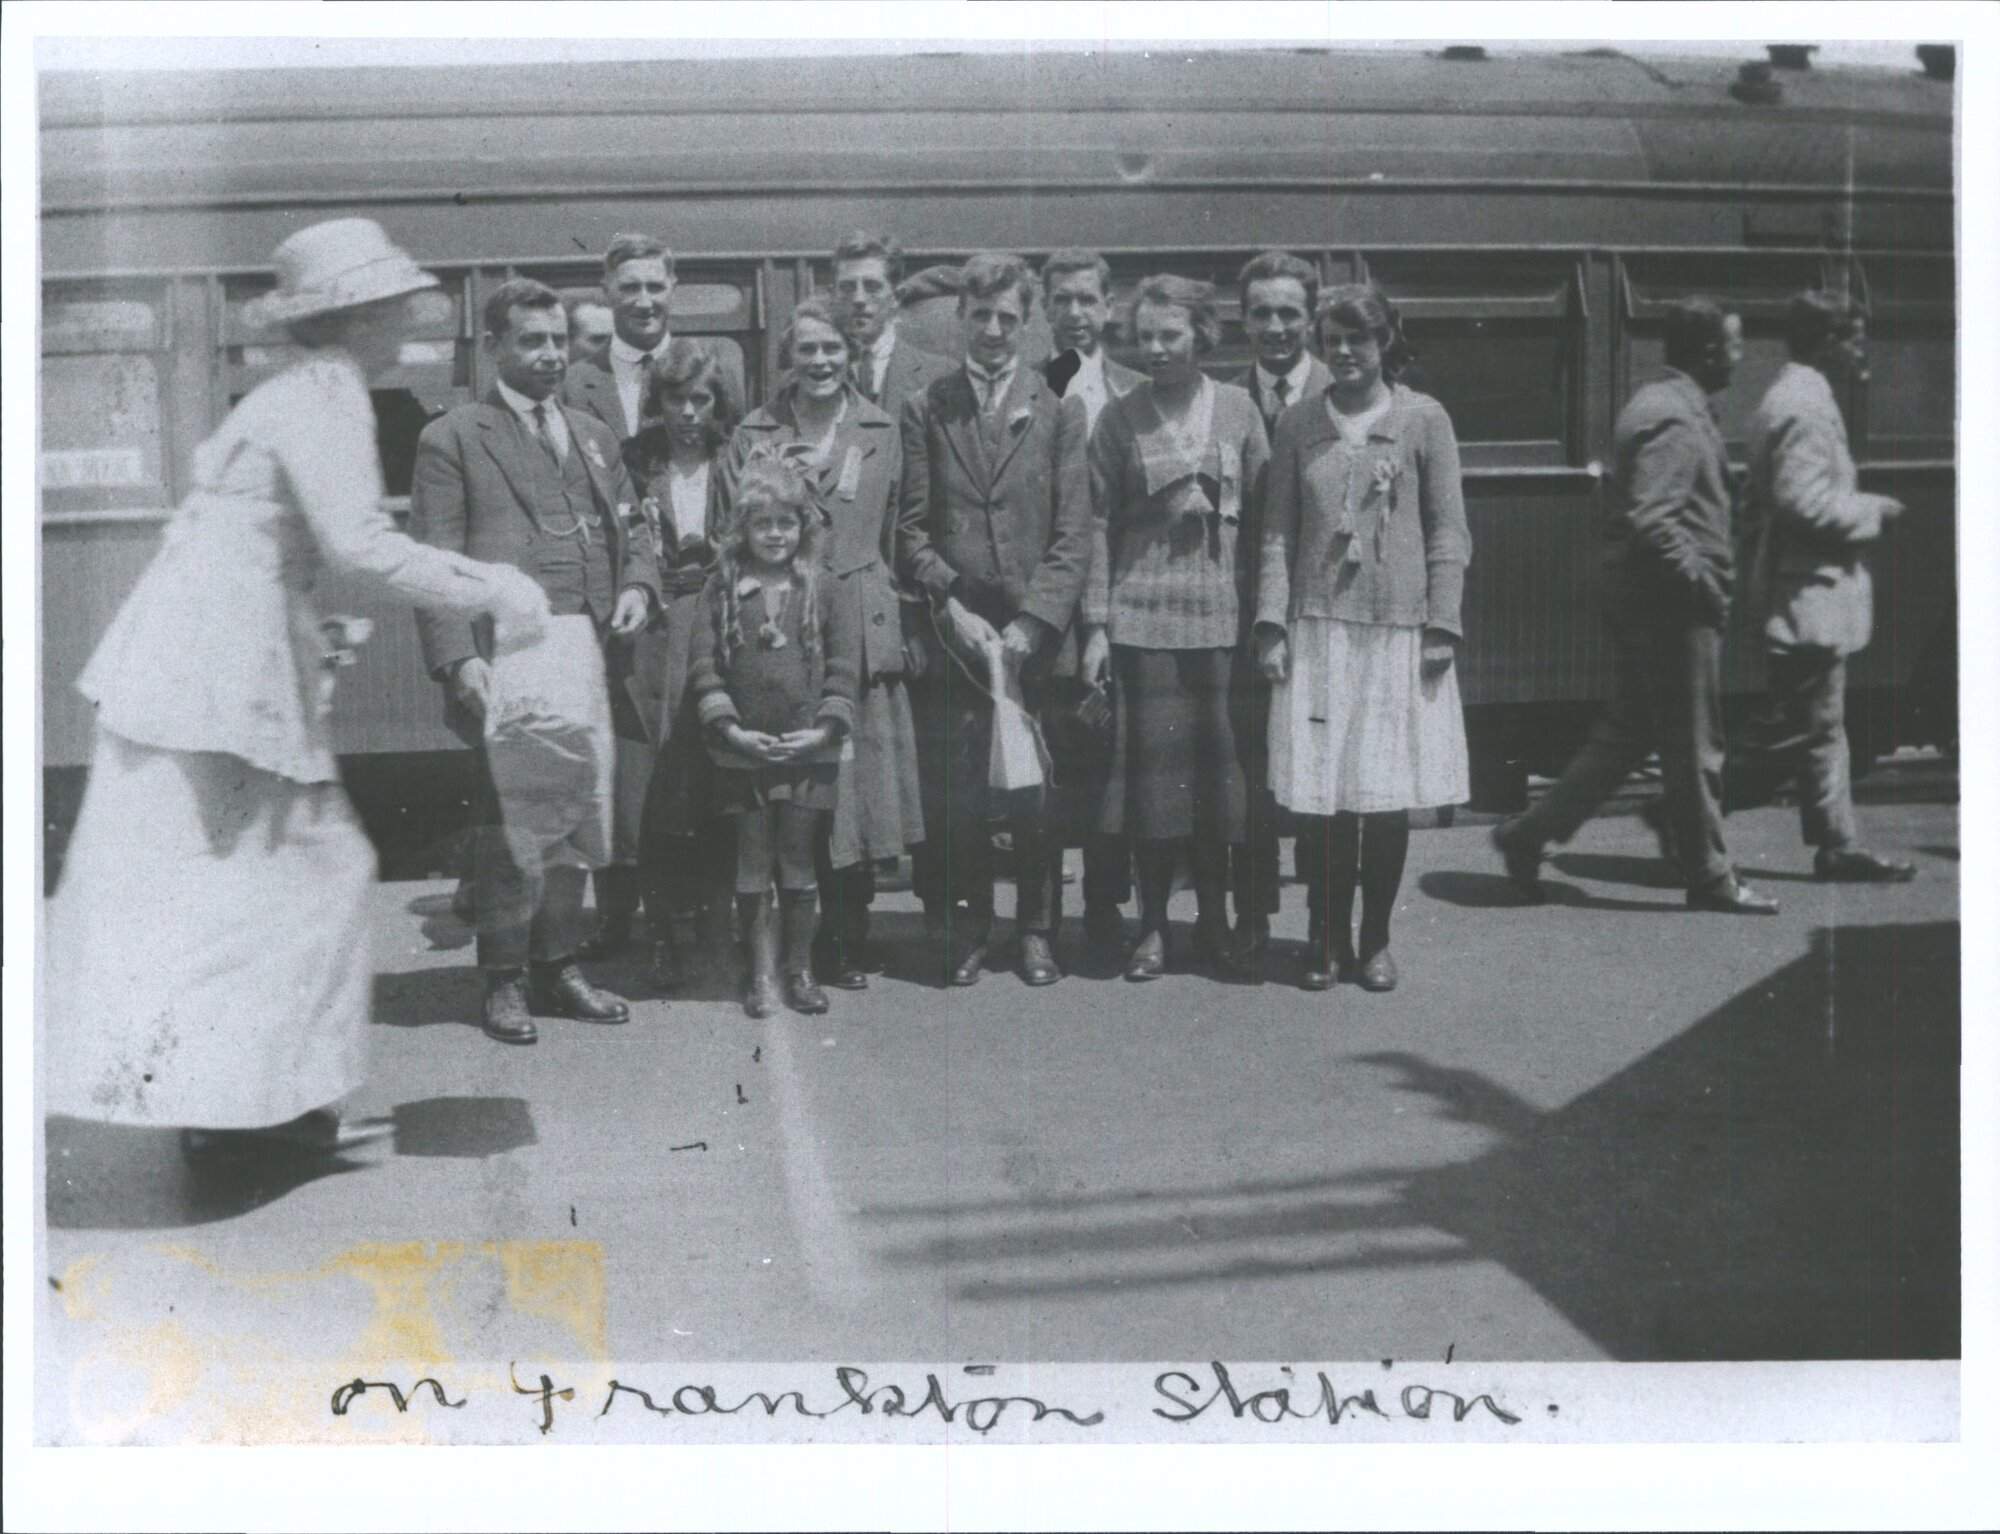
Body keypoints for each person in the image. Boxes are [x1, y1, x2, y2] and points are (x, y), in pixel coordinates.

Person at [44, 218, 549, 1156]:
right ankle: (244, 1109)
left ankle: (256, 1101)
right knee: (289, 879)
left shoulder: (297, 392)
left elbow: (279, 546)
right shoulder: (327, 396)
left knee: (285, 878)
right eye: (393, 303)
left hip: (207, 661)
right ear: (356, 316)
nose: (406, 316)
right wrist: (498, 588)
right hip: (218, 672)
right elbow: (358, 544)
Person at [411, 278, 662, 1045]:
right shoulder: (454, 437)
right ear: (494, 347)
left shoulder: (592, 433)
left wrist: (639, 587)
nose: (551, 354)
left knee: (580, 820)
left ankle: (560, 964)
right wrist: (458, 662)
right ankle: (505, 980)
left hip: (585, 653)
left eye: (559, 340)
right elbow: (437, 565)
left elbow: (637, 529)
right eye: (532, 340)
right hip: (511, 657)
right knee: (513, 831)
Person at [1492, 300, 1778, 915]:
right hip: (1671, 610)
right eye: (1734, 344)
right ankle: (1710, 876)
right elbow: (1654, 517)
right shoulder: (1673, 416)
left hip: (1652, 603)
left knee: (1626, 738)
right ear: (1706, 351)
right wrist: (1703, 580)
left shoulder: (1669, 405)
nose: (1739, 355)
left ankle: (1526, 836)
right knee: (1697, 745)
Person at [1256, 283, 1472, 993]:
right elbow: (1278, 534)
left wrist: (1443, 622)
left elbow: (1448, 529)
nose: (1345, 352)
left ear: (1386, 342)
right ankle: (1325, 937)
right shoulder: (1296, 424)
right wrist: (1270, 625)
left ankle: (1374, 940)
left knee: (1381, 794)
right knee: (1320, 798)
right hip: (1317, 633)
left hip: (1396, 634)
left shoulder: (1424, 420)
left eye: (1361, 337)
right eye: (1333, 339)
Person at [897, 252, 1093, 988]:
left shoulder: (1058, 408)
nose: (993, 330)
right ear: (960, 320)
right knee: (960, 793)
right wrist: (948, 599)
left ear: (1027, 322)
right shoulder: (927, 406)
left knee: (1035, 790)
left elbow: (1075, 533)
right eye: (980, 316)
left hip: (1034, 638)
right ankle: (969, 926)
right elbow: (911, 530)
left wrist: (1037, 622)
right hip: (956, 637)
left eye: (1008, 317)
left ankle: (1037, 928)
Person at [725, 294, 924, 991]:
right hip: (782, 625)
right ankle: (775, 951)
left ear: (851, 354)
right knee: (785, 791)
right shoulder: (756, 431)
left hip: (860, 622)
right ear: (789, 356)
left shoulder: (881, 427)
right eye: (806, 349)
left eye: (832, 349)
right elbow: (738, 529)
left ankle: (845, 938)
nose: (819, 362)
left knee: (853, 791)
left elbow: (901, 525)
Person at [1083, 275, 1271, 980]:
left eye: (1171, 335)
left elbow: (1263, 524)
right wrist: (1099, 625)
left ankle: (1216, 922)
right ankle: (1154, 927)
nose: (1156, 349)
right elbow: (1097, 525)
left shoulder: (1240, 410)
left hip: (1223, 625)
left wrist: (1266, 618)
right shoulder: (1118, 418)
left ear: (1201, 335)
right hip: (1142, 625)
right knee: (1156, 789)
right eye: (1145, 336)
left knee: (1220, 786)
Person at [1725, 292, 1916, 882]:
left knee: (1818, 724)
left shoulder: (1798, 394)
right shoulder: (1803, 405)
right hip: (1806, 591)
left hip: (1808, 590)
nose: (1863, 352)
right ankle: (1686, 810)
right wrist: (1873, 509)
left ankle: (1838, 843)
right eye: (1856, 338)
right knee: (1793, 729)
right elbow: (1801, 502)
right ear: (1829, 340)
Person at [689, 454, 859, 1018]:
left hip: (808, 754)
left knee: (799, 863)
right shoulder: (722, 587)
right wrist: (732, 731)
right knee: (751, 866)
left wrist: (823, 731)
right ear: (742, 528)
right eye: (762, 524)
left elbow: (843, 665)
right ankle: (760, 975)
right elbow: (704, 665)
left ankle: (800, 968)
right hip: (743, 757)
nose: (775, 535)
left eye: (786, 522)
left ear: (803, 526)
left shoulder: (824, 587)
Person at [562, 233, 679, 956]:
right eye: (628, 287)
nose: (642, 300)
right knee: (621, 761)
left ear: (673, 290)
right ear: (607, 293)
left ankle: (677, 920)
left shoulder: (710, 366)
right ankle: (614, 918)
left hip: (692, 593)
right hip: (612, 597)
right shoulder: (576, 381)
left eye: (654, 286)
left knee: (679, 761)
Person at [620, 339, 741, 990]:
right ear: (657, 402)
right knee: (660, 783)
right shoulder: (637, 460)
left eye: (701, 399)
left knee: (719, 773)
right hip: (659, 629)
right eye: (676, 399)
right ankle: (663, 929)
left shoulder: (737, 455)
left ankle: (718, 926)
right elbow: (629, 538)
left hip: (721, 625)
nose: (689, 412)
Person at [1041, 248, 1146, 948]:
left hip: (1125, 596)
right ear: (1045, 309)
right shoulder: (1027, 388)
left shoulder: (1138, 393)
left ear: (1108, 307)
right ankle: (1043, 911)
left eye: (1087, 300)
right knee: (1052, 759)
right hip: (1050, 598)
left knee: (1115, 755)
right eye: (1062, 301)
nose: (1075, 314)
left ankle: (1107, 902)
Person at [1229, 250, 1329, 953]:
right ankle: (1253, 917)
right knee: (1250, 772)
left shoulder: (1343, 389)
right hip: (1241, 615)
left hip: (1325, 613)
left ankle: (1328, 925)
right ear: (1242, 320)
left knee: (1325, 772)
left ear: (1311, 319)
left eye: (1289, 312)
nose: (1275, 327)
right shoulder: (1226, 399)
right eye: (1261, 312)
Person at [831, 230, 954, 417]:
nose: (858, 299)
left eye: (872, 287)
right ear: (834, 295)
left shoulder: (941, 376)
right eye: (847, 287)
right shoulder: (813, 371)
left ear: (897, 296)